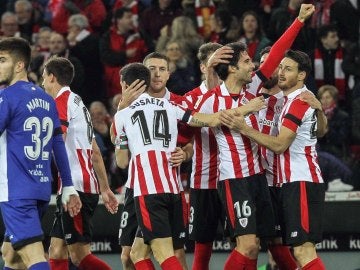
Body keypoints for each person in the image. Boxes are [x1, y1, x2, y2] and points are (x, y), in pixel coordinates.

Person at [193, 4, 316, 269]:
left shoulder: (255, 88)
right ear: (233, 69)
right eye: (248, 61)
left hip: (258, 177)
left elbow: (277, 55)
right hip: (234, 180)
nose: (255, 65)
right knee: (247, 245)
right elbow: (194, 119)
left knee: (258, 245)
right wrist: (214, 70)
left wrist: (299, 21)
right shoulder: (211, 100)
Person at [113, 62, 264, 270]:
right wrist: (247, 107)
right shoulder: (172, 106)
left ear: (123, 83)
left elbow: (121, 161)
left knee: (163, 254)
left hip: (147, 190)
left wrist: (121, 129)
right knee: (138, 253)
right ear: (148, 82)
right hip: (174, 190)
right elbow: (211, 120)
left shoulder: (123, 114)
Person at [222, 50, 327, 269]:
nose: (280, 72)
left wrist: (243, 129)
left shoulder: (299, 102)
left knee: (303, 250)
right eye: (280, 67)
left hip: (301, 180)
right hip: (282, 183)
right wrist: (321, 112)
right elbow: (319, 131)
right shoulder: (287, 101)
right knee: (278, 243)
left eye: (287, 69)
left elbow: (280, 145)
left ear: (302, 75)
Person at [0, 37, 81, 270]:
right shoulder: (46, 99)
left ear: (19, 65)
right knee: (12, 255)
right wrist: (67, 184)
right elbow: (57, 143)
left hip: (16, 192)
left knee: (34, 257)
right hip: (40, 189)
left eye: (2, 60)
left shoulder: (7, 98)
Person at [41, 56, 119, 270]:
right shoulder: (80, 104)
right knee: (56, 251)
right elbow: (94, 151)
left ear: (52, 77)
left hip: (75, 188)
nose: (42, 83)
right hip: (84, 185)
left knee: (79, 255)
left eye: (44, 77)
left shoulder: (60, 102)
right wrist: (105, 188)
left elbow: (58, 140)